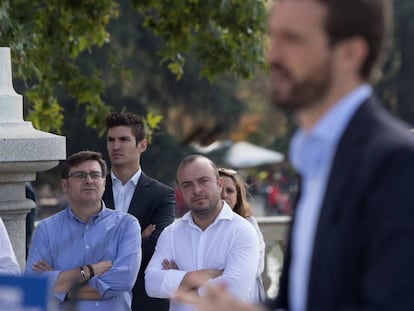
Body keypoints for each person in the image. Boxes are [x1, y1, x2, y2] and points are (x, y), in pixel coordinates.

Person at [176, 0, 414, 310]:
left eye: (293, 39)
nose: (272, 55)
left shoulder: (397, 163)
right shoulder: (316, 157)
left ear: (350, 53)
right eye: (273, 38)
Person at [25, 151, 141, 311]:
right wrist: (89, 271)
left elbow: (122, 281)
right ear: (65, 185)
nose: (88, 180)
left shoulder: (126, 225)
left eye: (94, 175)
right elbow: (33, 286)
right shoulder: (46, 229)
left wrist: (62, 287)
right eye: (80, 175)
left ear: (104, 182)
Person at [145, 155, 260, 311]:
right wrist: (197, 277)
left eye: (203, 181)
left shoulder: (243, 231)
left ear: (219, 184)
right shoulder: (171, 233)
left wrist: (179, 282)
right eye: (187, 185)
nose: (196, 190)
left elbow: (233, 293)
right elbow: (151, 283)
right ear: (180, 191)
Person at [102, 112, 176, 311]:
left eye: (124, 139)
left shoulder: (163, 195)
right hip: (98, 298)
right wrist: (136, 238)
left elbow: (157, 247)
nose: (116, 146)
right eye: (111, 140)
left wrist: (107, 243)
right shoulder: (94, 189)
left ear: (142, 145)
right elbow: (85, 245)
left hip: (145, 301)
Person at [218, 167, 266, 303]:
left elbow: (256, 265)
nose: (224, 195)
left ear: (238, 197)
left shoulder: (249, 224)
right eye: (220, 189)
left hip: (246, 297)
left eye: (230, 191)